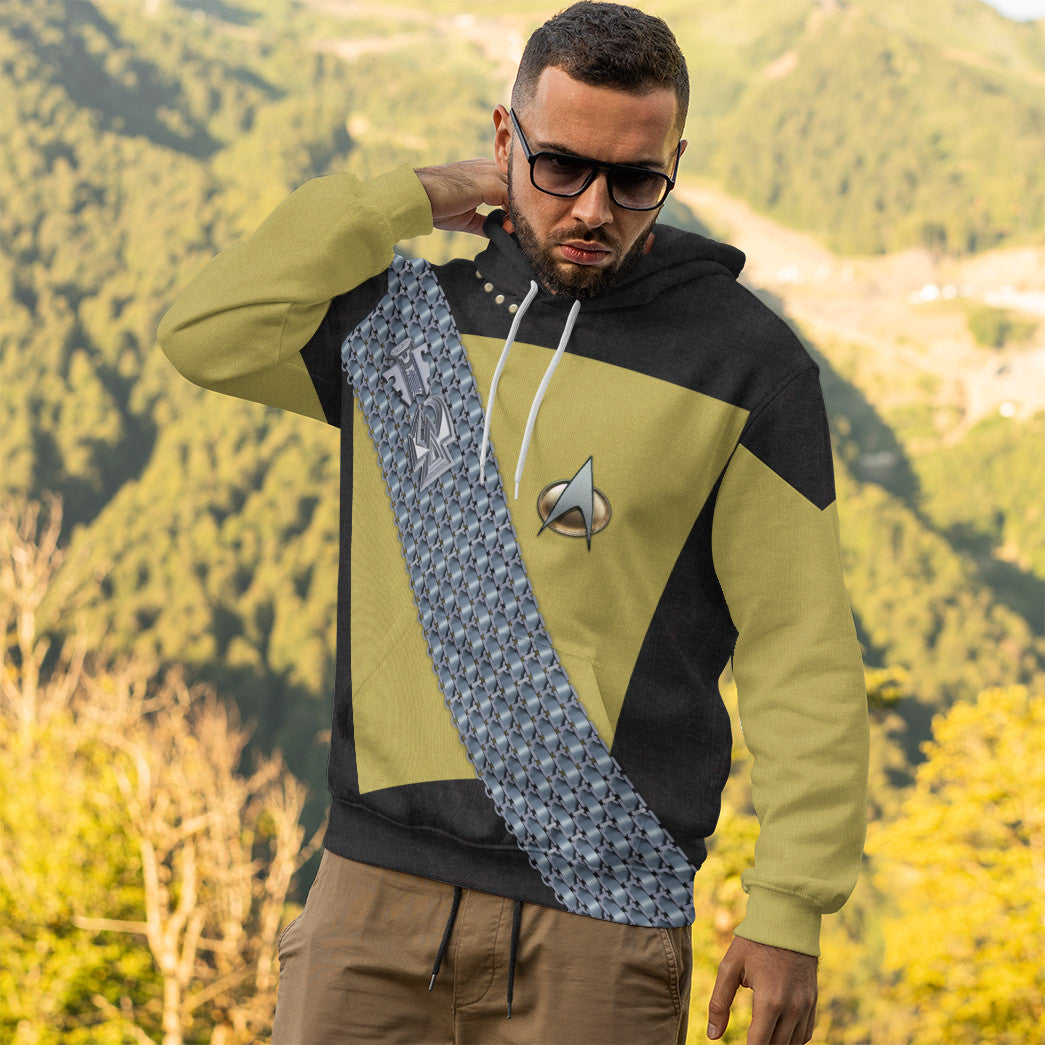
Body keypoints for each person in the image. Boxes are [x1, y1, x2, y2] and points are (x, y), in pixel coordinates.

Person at [158, 3, 869, 1042]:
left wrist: (791, 904)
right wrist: (414, 195)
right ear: (504, 139)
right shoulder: (404, 325)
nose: (593, 207)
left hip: (604, 919)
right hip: (370, 900)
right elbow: (205, 333)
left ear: (674, 163)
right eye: (559, 165)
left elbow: (798, 647)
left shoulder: (744, 364)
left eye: (635, 180)